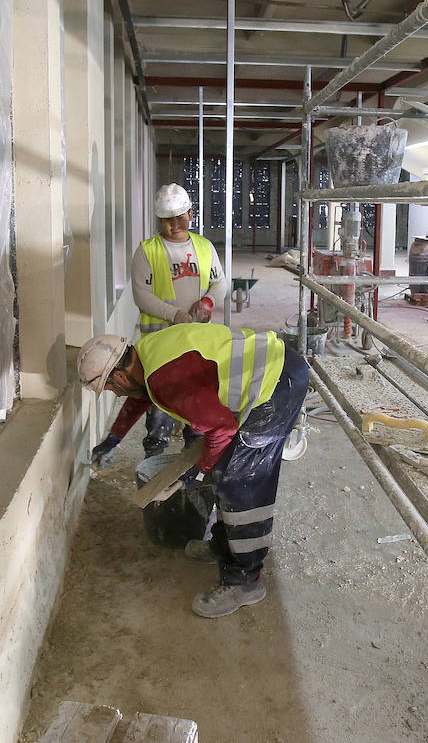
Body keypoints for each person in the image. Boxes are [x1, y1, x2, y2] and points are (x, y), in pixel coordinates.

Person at [77, 324, 309, 617]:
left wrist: (198, 472)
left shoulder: (166, 377)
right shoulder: (146, 355)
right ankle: (225, 546)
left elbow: (222, 428)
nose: (115, 394)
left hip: (276, 384)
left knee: (241, 481)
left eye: (110, 387)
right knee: (225, 472)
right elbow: (140, 396)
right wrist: (114, 437)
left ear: (120, 375)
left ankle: (247, 580)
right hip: (275, 367)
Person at [90, 183, 227, 468]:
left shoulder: (204, 247)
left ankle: (194, 454)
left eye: (180, 217)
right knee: (158, 407)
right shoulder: (147, 251)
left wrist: (209, 302)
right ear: (158, 220)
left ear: (191, 214)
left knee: (196, 402)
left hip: (196, 345)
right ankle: (154, 459)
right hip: (160, 345)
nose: (174, 224)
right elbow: (142, 295)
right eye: (166, 219)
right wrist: (175, 314)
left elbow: (219, 282)